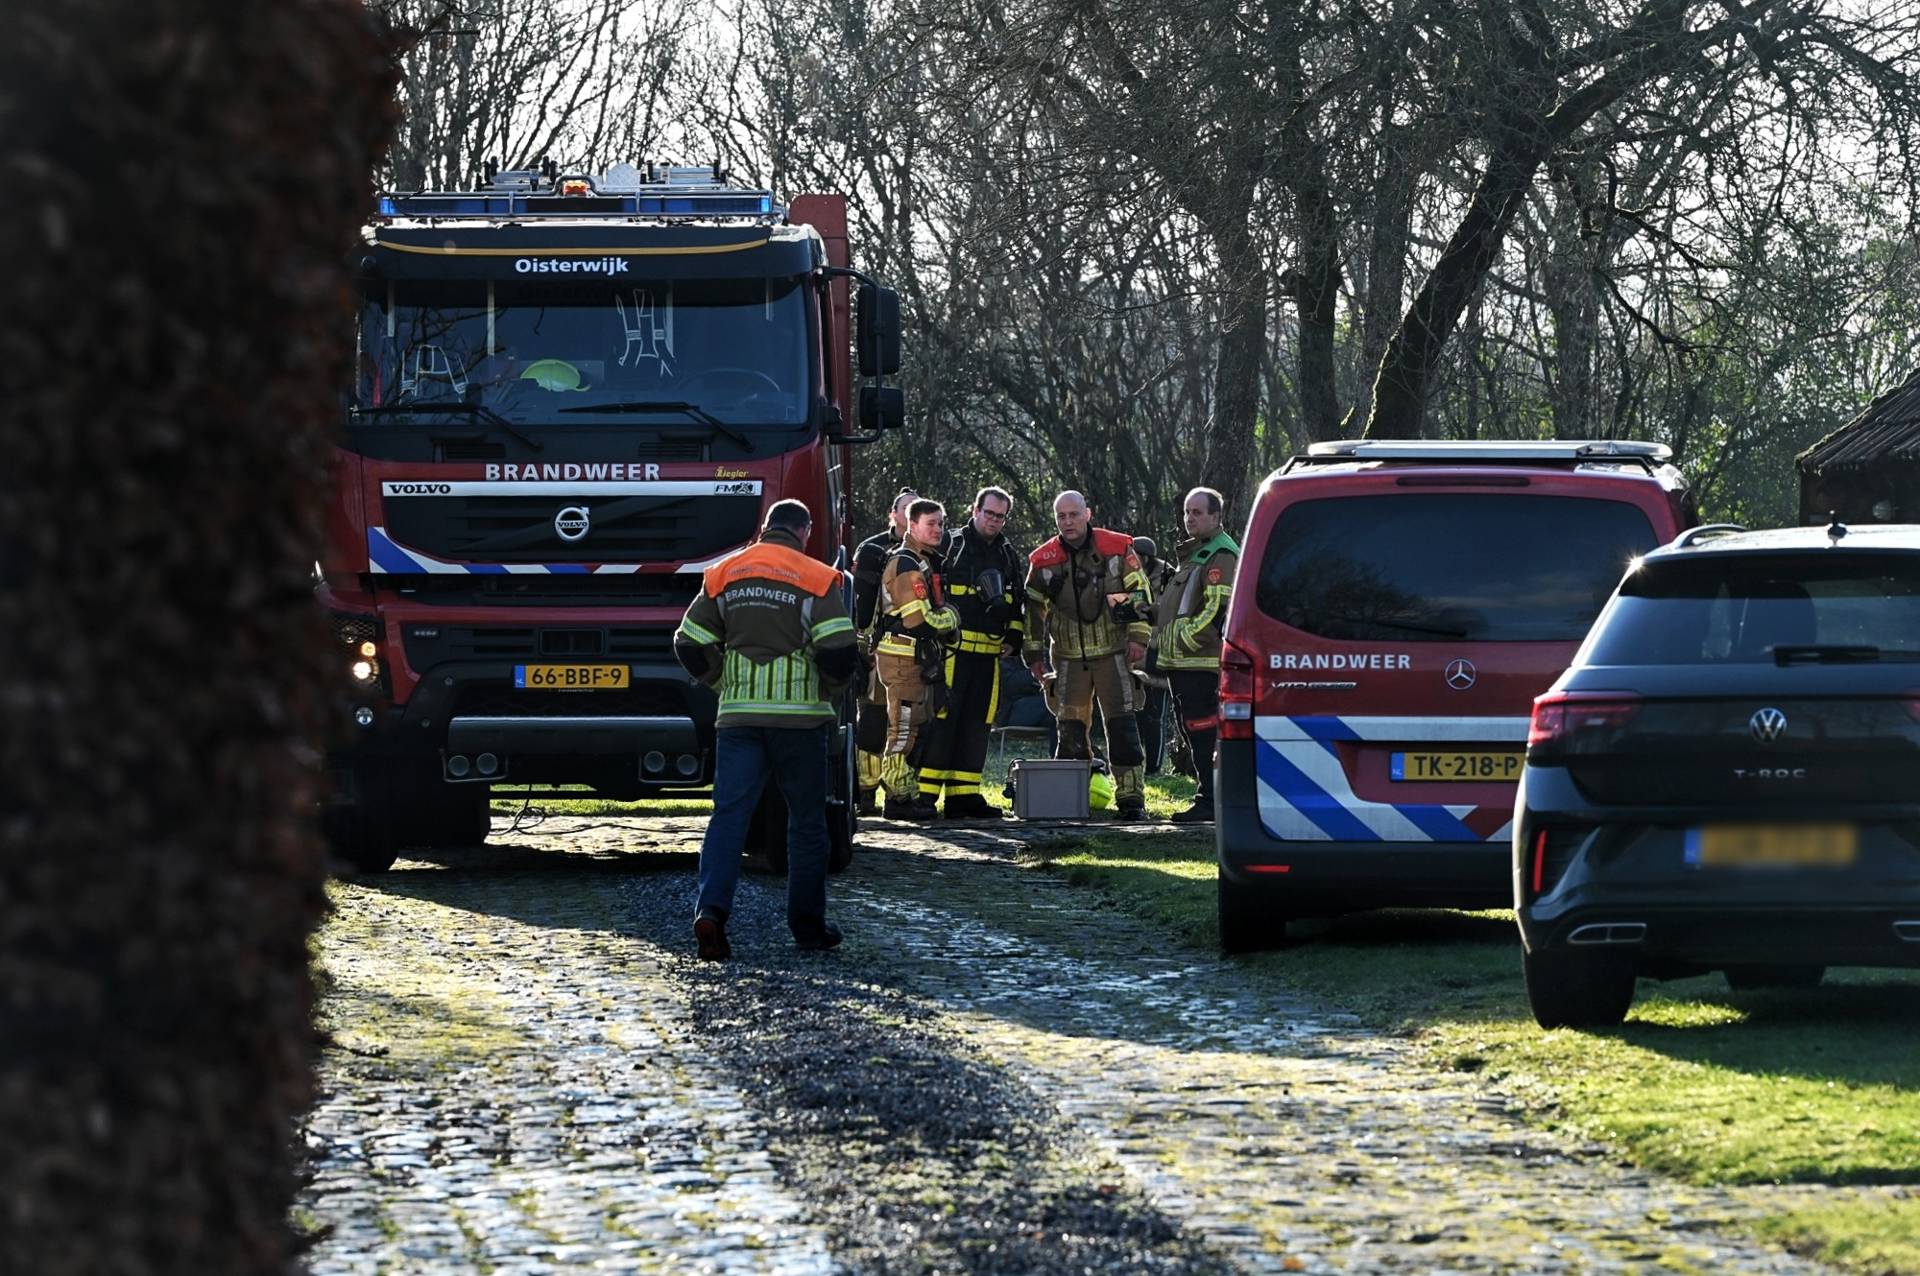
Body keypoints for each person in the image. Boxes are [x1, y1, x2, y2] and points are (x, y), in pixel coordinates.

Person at [674, 499, 859, 959]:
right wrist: (830, 691)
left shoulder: (723, 573)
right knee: (807, 825)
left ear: (764, 528)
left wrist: (720, 680)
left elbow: (688, 641)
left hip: (739, 718)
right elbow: (839, 650)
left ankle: (711, 912)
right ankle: (808, 928)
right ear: (804, 530)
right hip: (800, 721)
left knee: (728, 818)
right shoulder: (817, 578)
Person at [1023, 491, 1154, 820]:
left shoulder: (1116, 548)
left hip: (1114, 654)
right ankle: (1070, 798)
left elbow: (1139, 591)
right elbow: (1032, 611)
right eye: (1061, 516)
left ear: (1088, 514)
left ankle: (1131, 798)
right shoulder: (1043, 560)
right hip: (1067, 658)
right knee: (1069, 729)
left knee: (1122, 726)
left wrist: (1138, 638)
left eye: (1073, 514)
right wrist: (1033, 654)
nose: (1068, 521)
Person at [919, 487, 1026, 819]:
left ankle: (963, 797)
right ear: (974, 510)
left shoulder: (1007, 554)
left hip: (989, 656)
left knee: (978, 724)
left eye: (1000, 516)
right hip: (953, 653)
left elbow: (1017, 601)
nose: (993, 521)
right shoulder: (950, 545)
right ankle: (924, 796)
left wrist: (1014, 636)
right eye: (988, 513)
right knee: (943, 720)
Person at [1147, 486, 1239, 823]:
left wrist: (1184, 639)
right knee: (1194, 731)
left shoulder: (1220, 553)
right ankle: (1208, 797)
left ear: (1216, 516)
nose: (1189, 518)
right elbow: (1181, 608)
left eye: (1197, 512)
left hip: (1200, 662)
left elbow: (1217, 610)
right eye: (1187, 512)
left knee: (1203, 732)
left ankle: (1211, 801)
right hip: (1181, 663)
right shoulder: (1195, 553)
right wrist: (1148, 612)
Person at [873, 499, 959, 819]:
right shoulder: (907, 564)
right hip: (903, 659)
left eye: (941, 524)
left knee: (917, 726)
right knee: (904, 729)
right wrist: (952, 618)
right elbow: (919, 621)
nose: (938, 530)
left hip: (914, 659)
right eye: (930, 524)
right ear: (912, 526)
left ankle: (906, 794)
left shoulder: (922, 561)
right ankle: (897, 799)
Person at [851, 488, 918, 814]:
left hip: (913, 653)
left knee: (904, 721)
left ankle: (897, 792)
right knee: (873, 720)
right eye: (906, 509)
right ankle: (865, 792)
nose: (911, 515)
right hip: (877, 650)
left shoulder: (926, 551)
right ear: (893, 514)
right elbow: (859, 604)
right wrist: (862, 649)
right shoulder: (873, 549)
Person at [1130, 534, 1177, 775]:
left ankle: (1154, 768)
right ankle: (1135, 764)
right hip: (1135, 656)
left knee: (1155, 715)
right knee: (1135, 713)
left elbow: (1173, 612)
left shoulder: (1169, 576)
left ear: (1146, 557)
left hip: (1159, 655)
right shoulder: (1129, 574)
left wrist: (1151, 612)